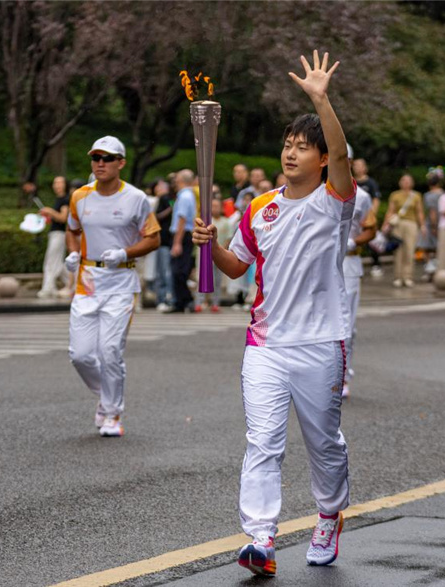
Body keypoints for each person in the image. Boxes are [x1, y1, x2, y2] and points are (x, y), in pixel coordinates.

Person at [192, 50, 354, 576]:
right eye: (287, 144)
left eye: (303, 147)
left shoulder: (335, 201)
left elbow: (344, 156)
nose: (291, 153)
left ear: (321, 157)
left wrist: (320, 99)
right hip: (266, 346)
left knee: (323, 442)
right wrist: (211, 245)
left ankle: (329, 513)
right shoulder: (259, 207)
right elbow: (236, 268)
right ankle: (260, 537)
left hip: (321, 343)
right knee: (262, 441)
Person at [64, 136, 161, 437]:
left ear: (121, 163)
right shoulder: (80, 196)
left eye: (107, 158)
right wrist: (73, 253)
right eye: (96, 158)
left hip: (120, 283)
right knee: (79, 355)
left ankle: (112, 413)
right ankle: (106, 397)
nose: (100, 164)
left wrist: (125, 253)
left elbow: (153, 238)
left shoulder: (135, 198)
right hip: (87, 283)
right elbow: (72, 229)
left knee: (109, 351)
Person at [342, 144, 378, 399]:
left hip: (347, 264)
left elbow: (371, 228)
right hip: (316, 265)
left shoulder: (361, 196)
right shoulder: (310, 192)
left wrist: (354, 242)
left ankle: (341, 377)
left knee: (346, 327)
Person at [383, 174, 425, 288]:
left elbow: (419, 211)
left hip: (411, 224)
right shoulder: (395, 195)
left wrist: (422, 225)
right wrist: (385, 224)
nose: (406, 183)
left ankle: (408, 276)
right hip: (398, 224)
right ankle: (398, 276)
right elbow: (390, 211)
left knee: (410, 251)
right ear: (400, 182)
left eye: (408, 181)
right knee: (398, 251)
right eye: (404, 180)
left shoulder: (416, 195)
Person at [194, 198, 233, 312]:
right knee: (201, 278)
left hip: (219, 254)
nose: (215, 208)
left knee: (217, 280)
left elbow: (228, 238)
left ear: (221, 208)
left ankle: (215, 303)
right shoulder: (205, 221)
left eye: (217, 206)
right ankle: (199, 303)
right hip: (204, 254)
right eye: (212, 206)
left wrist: (222, 251)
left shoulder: (226, 221)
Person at [37, 176, 72, 299]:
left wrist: (50, 211)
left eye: (59, 183)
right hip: (54, 233)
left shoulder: (66, 199)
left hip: (60, 234)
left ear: (65, 185)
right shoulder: (59, 199)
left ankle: (48, 288)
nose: (56, 185)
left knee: (51, 261)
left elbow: (63, 218)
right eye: (55, 183)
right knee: (58, 263)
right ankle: (74, 284)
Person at [167, 169, 197, 313]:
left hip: (182, 235)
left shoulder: (185, 196)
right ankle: (182, 301)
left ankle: (184, 300)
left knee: (178, 271)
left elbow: (182, 219)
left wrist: (177, 242)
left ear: (181, 180)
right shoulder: (186, 195)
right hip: (184, 235)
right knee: (179, 270)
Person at [352, 157, 383, 276]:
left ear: (365, 168)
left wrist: (370, 216)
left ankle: (376, 264)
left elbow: (376, 199)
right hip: (354, 218)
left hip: (366, 217)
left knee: (371, 241)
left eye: (360, 165)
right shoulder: (351, 182)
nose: (357, 167)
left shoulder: (370, 183)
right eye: (355, 165)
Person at [153, 178, 174, 312]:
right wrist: (171, 209)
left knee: (168, 272)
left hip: (171, 241)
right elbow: (157, 216)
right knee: (163, 272)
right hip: (163, 241)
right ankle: (161, 298)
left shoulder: (173, 198)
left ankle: (167, 298)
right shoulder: (163, 199)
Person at [422, 170, 444, 276]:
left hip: (432, 224)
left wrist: (433, 226)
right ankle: (436, 267)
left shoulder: (429, 195)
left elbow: (432, 212)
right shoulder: (443, 194)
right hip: (443, 222)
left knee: (427, 247)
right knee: (438, 247)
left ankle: (430, 268)